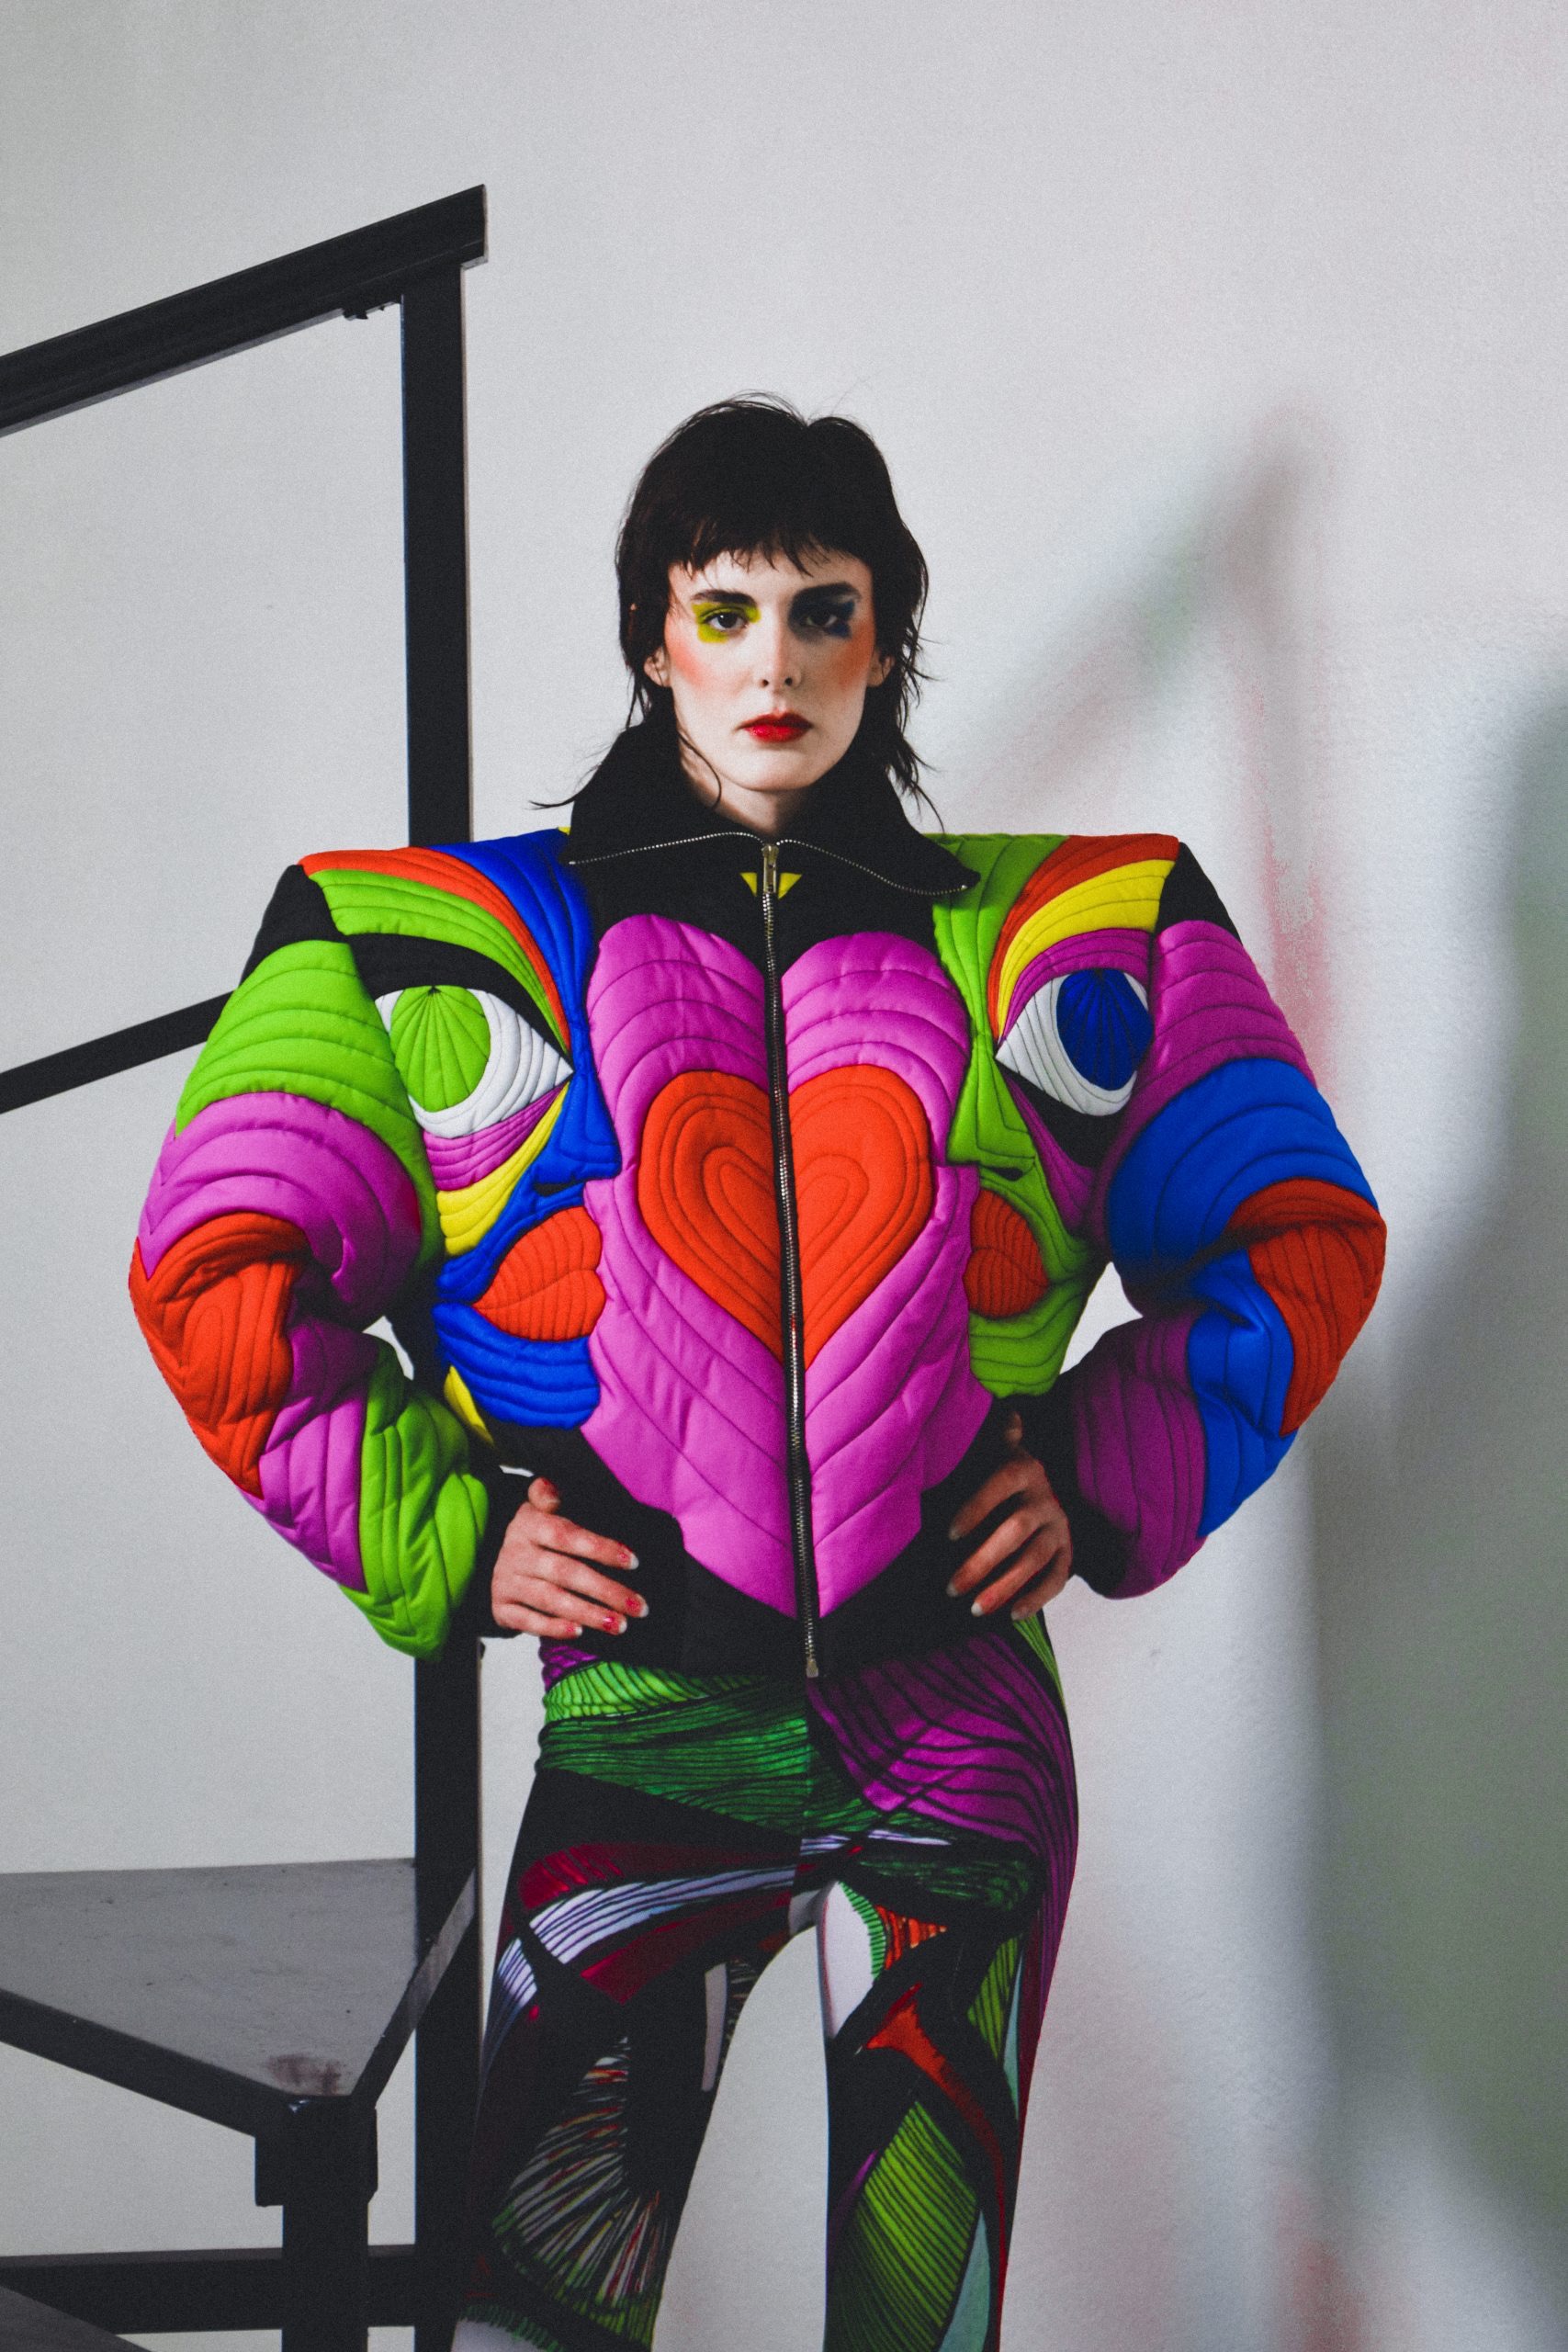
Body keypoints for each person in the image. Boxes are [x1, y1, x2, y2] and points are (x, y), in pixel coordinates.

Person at [130, 398, 1386, 2350]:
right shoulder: (439, 946)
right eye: (724, 611)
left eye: (823, 611)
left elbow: (1292, 1230)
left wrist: (1099, 1469)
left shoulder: (1074, 941)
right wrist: (447, 1533)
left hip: (961, 1742)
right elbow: (218, 1259)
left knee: (920, 2316)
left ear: (885, 640)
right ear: (654, 635)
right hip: (650, 1728)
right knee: (538, 2303)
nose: (773, 661)